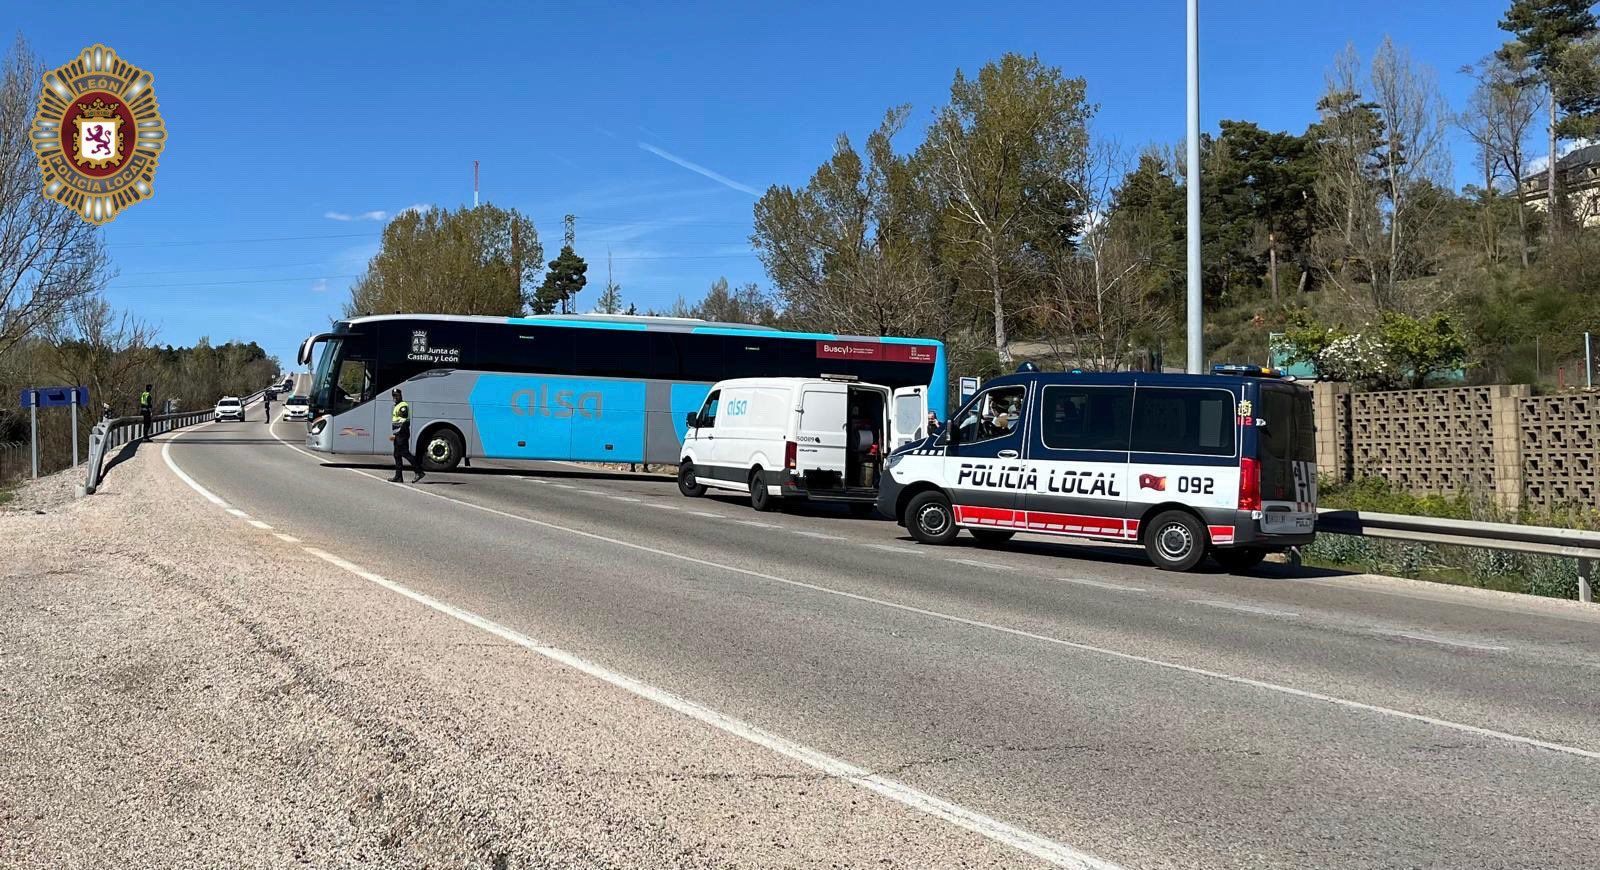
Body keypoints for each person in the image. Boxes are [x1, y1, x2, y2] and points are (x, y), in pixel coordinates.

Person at [389, 387, 424, 483]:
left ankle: (419, 471)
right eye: (394, 396)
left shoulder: (403, 405)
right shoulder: (396, 405)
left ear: (401, 396)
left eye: (397, 395)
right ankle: (398, 476)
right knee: (396, 454)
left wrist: (399, 433)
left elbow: (403, 417)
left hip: (402, 433)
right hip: (398, 433)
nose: (395, 397)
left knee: (405, 453)